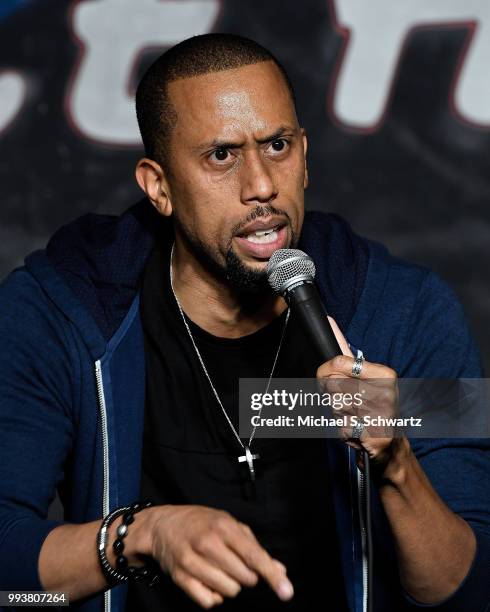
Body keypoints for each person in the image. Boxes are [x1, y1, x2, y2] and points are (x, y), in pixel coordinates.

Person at [0, 33, 488, 612]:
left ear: (306, 156)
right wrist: (142, 537)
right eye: (221, 155)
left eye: (278, 145)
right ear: (159, 187)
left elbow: (471, 593)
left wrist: (396, 463)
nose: (261, 186)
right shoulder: (61, 310)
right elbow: (15, 591)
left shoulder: (405, 311)